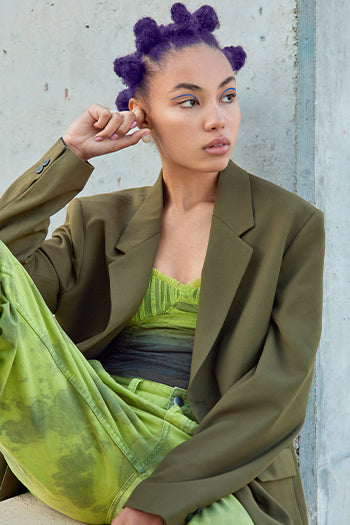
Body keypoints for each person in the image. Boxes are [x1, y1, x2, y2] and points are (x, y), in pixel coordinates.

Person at [0, 3, 324, 525]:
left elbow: (278, 389)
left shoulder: (291, 223)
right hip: (96, 422)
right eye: (189, 101)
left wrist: (156, 501)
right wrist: (69, 156)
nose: (217, 117)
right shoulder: (99, 220)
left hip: (204, 445)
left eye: (228, 95)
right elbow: (6, 280)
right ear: (141, 114)